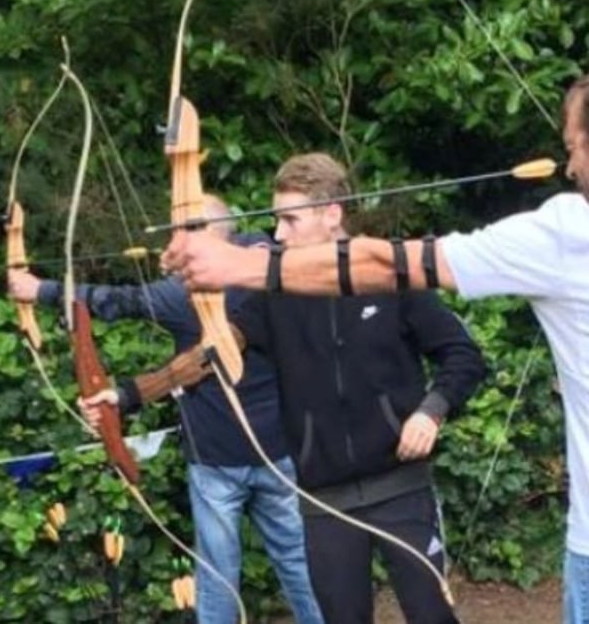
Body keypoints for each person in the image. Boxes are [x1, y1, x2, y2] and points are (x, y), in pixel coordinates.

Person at [162, 56, 589, 624]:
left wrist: (236, 265)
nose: (571, 166)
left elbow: (386, 266)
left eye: (575, 148)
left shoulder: (566, 235)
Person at [8, 196, 323, 624]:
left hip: (217, 462)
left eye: (184, 232)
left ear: (208, 237)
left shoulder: (184, 296)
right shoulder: (265, 270)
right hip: (276, 449)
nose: (175, 242)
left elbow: (118, 301)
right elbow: (254, 241)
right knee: (297, 562)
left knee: (217, 574)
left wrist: (38, 290)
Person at [205, 153, 486, 624]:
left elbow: (463, 355)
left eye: (290, 220)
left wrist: (431, 410)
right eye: (277, 221)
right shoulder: (272, 295)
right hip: (324, 502)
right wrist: (128, 395)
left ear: (332, 214)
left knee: (432, 615)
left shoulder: (388, 276)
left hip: (401, 487)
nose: (279, 234)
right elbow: (215, 352)